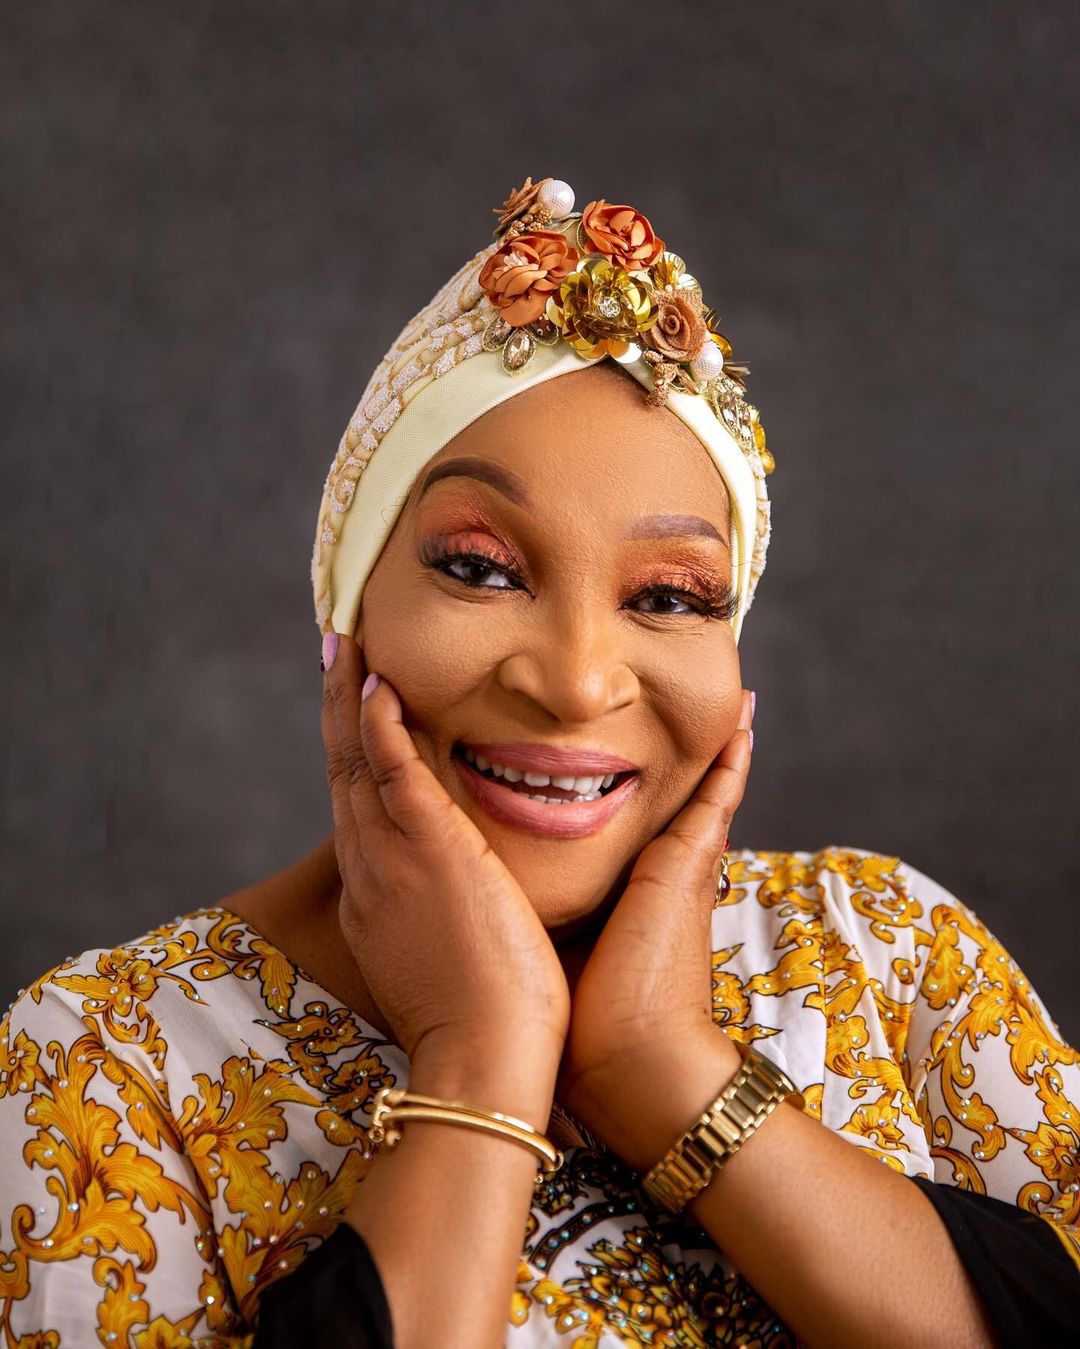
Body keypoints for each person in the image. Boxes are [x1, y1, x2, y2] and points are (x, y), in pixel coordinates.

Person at [1, 175, 1076, 1348]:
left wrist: (669, 1065)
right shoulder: (107, 1063)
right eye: (479, 568)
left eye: (670, 596)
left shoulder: (887, 948)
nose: (576, 681)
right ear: (350, 607)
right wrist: (480, 1059)